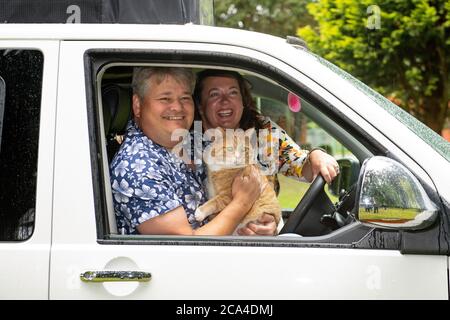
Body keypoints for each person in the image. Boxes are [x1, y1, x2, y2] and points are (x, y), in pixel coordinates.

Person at [110, 67, 262, 235]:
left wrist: (262, 221)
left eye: (184, 98)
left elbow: (245, 182)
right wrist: (242, 203)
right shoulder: (137, 167)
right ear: (137, 105)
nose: (177, 107)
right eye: (165, 98)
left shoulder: (191, 142)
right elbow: (187, 249)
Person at [193, 69, 340, 235]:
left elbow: (301, 165)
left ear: (243, 100)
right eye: (214, 94)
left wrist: (316, 155)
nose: (225, 101)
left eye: (233, 93)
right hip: (208, 243)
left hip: (262, 240)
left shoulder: (263, 131)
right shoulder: (187, 141)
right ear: (200, 105)